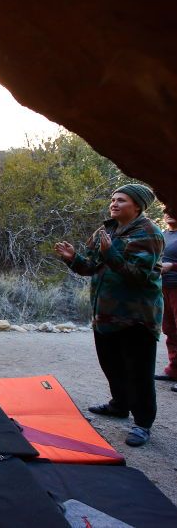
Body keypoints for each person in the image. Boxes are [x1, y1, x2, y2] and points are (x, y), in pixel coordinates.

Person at [54, 184, 163, 446]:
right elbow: (91, 267)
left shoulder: (149, 234)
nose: (113, 204)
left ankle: (142, 423)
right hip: (105, 313)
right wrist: (73, 258)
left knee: (139, 371)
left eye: (121, 200)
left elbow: (139, 275)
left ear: (137, 206)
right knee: (111, 364)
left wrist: (110, 253)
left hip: (137, 316)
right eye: (113, 199)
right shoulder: (106, 230)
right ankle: (119, 405)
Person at [157, 207, 177, 384]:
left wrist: (173, 266)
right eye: (166, 210)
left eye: (173, 210)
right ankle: (174, 369)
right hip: (163, 287)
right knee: (170, 329)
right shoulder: (162, 235)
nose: (168, 213)